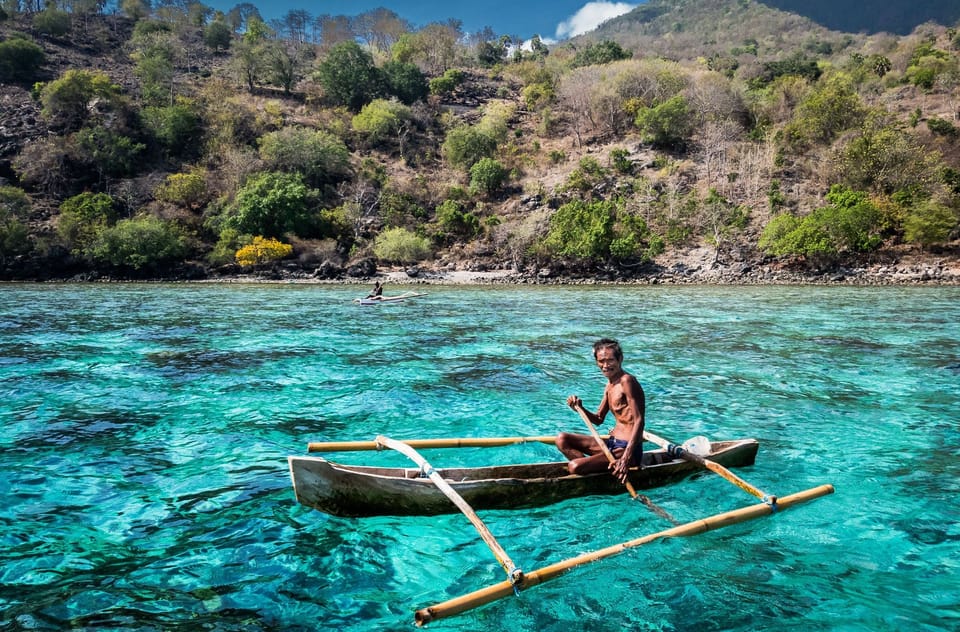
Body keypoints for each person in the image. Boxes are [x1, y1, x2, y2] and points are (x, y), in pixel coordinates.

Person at [556, 338, 645, 484]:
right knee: (562, 439)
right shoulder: (610, 384)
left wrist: (626, 458)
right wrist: (580, 407)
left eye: (610, 360)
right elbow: (598, 419)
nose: (605, 366)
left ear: (620, 359)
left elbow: (639, 420)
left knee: (574, 466)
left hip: (627, 450)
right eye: (601, 361)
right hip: (611, 444)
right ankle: (595, 469)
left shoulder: (627, 381)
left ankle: (591, 469)